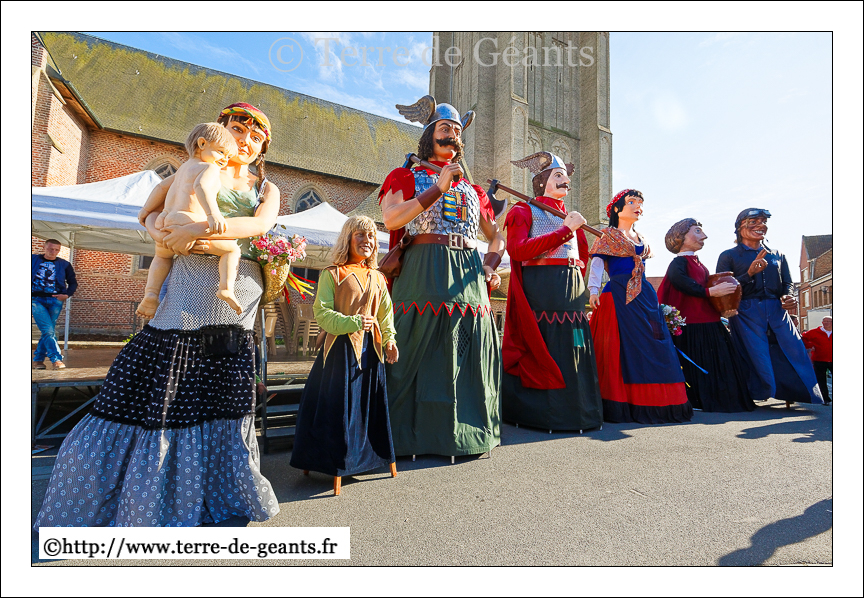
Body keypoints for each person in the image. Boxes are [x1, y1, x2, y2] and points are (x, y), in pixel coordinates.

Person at [35, 103, 281, 527]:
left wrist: (195, 231)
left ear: (262, 150)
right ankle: (150, 496)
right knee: (166, 375)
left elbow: (258, 226)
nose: (245, 140)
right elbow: (148, 214)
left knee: (222, 388)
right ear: (217, 131)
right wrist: (162, 232)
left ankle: (221, 491)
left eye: (255, 138)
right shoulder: (193, 169)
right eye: (237, 130)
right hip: (188, 283)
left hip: (238, 287)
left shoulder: (265, 188)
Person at [379, 95, 504, 459]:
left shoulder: (474, 190)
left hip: (468, 271)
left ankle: (469, 430)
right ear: (429, 135)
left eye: (457, 130)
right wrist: (438, 188)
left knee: (466, 347)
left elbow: (496, 236)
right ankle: (408, 433)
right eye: (446, 128)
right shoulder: (405, 175)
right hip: (423, 266)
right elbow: (391, 218)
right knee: (416, 343)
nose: (453, 135)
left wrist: (490, 265)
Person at [290, 216, 399, 494]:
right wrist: (352, 322)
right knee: (336, 410)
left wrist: (390, 340)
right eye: (360, 235)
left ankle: (368, 458)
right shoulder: (332, 274)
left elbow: (386, 314)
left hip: (371, 353)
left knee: (369, 408)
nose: (367, 241)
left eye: (371, 236)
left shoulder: (378, 277)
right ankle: (334, 462)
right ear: (348, 239)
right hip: (339, 353)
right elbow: (322, 312)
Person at [499, 151, 602, 432]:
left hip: (572, 292)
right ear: (542, 181)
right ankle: (544, 413)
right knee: (545, 342)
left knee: (576, 342)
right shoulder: (523, 211)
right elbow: (518, 250)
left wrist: (575, 279)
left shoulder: (572, 218)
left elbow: (581, 257)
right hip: (542, 289)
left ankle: (581, 410)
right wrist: (564, 231)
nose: (565, 181)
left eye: (566, 177)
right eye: (558, 175)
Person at [587, 190, 692, 424]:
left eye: (640, 203)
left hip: (644, 295)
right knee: (621, 345)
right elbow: (597, 264)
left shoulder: (641, 238)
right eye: (632, 202)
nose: (638, 207)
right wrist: (593, 290)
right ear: (616, 208)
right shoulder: (607, 235)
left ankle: (660, 401)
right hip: (617, 294)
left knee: (655, 343)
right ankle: (622, 400)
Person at [717, 209, 823, 406]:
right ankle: (757, 391)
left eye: (763, 221)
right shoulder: (729, 256)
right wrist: (749, 274)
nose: (761, 225)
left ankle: (800, 393)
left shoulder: (777, 255)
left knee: (793, 348)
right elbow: (723, 287)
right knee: (755, 352)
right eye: (753, 221)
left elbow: (788, 283)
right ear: (740, 227)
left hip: (776, 308)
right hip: (746, 310)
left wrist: (788, 296)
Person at [136, 123, 242, 318]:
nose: (224, 160)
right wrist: (213, 214)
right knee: (232, 249)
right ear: (202, 144)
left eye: (228, 157)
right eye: (221, 152)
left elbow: (161, 188)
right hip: (188, 221)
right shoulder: (209, 167)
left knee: (162, 257)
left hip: (165, 222)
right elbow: (202, 187)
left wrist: (146, 210)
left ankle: (151, 294)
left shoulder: (182, 169)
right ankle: (226, 288)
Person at [657, 219, 755, 412]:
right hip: (692, 321)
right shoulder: (679, 263)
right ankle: (699, 399)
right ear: (681, 237)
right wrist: (710, 292)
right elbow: (682, 283)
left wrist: (724, 304)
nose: (704, 236)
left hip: (707, 319)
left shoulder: (698, 263)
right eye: (697, 231)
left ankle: (715, 398)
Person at [32, 239, 77, 370]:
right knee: (48, 330)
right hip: (36, 300)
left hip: (55, 301)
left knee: (48, 330)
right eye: (51, 249)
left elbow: (73, 282)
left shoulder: (64, 264)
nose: (53, 252)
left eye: (57, 250)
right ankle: (56, 359)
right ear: (44, 247)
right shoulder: (33, 259)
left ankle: (38, 360)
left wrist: (67, 295)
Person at [802, 316, 832, 405]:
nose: (826, 323)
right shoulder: (815, 332)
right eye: (824, 321)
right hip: (819, 359)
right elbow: (803, 338)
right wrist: (810, 345)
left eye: (828, 321)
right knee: (821, 380)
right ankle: (825, 399)